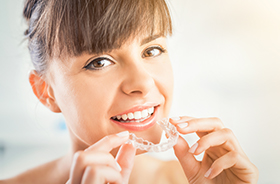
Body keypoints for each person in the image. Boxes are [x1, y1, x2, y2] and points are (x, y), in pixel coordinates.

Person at [1, 0, 258, 183]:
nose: (143, 83)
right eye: (100, 62)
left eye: (151, 50)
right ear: (46, 92)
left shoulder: (210, 181)